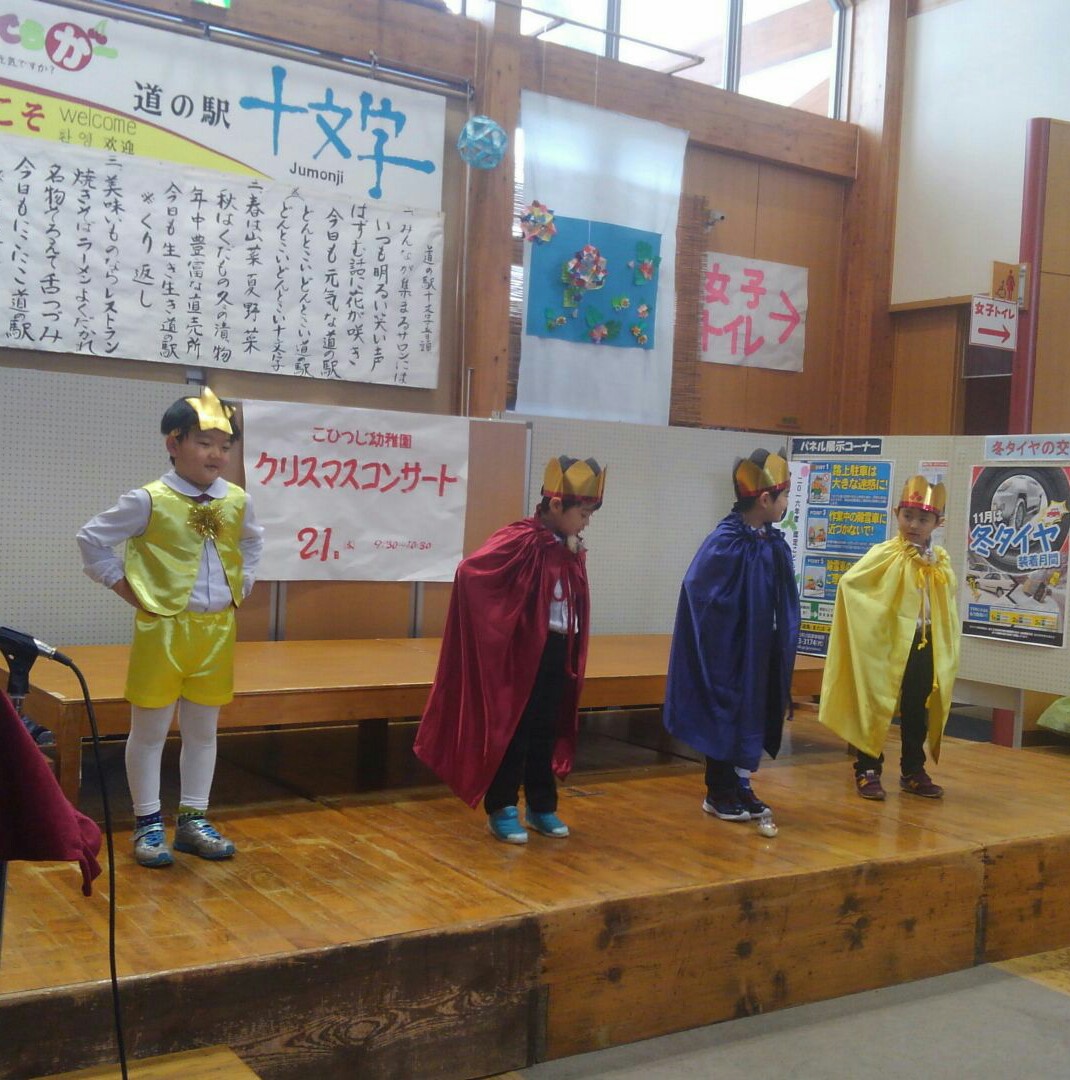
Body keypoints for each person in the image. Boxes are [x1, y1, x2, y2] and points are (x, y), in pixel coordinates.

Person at [77, 387, 264, 867]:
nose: (216, 454)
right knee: (149, 731)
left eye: (225, 445)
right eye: (204, 442)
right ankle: (147, 823)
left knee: (203, 732)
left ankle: (193, 820)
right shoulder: (148, 500)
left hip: (216, 633)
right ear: (173, 443)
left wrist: (241, 586)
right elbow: (92, 539)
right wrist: (125, 587)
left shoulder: (237, 500)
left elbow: (252, 543)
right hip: (163, 631)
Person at [414, 455, 606, 844]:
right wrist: (506, 623)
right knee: (514, 728)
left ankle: (541, 805)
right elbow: (471, 572)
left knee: (546, 728)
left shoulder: (570, 546)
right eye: (583, 514)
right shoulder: (520, 538)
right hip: (523, 652)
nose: (586, 522)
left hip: (558, 647)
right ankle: (502, 807)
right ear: (557, 505)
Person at [664, 448, 800, 822]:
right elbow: (699, 590)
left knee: (753, 712)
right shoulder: (726, 541)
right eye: (784, 496)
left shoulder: (770, 541)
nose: (787, 503)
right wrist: (730, 628)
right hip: (729, 650)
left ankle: (741, 784)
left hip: (759, 648)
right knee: (724, 713)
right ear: (765, 499)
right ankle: (719, 790)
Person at [818, 475, 960, 800]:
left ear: (938, 523)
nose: (913, 525)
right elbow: (851, 585)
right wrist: (873, 621)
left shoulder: (939, 562)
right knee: (874, 701)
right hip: (885, 644)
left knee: (917, 706)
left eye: (923, 519)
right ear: (896, 513)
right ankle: (868, 768)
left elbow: (945, 603)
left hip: (923, 643)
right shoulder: (884, 554)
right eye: (907, 516)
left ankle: (913, 769)